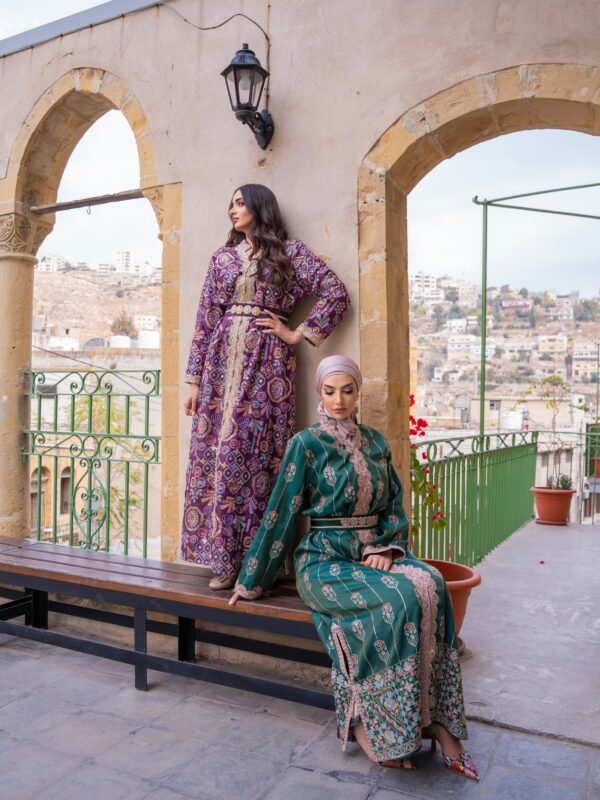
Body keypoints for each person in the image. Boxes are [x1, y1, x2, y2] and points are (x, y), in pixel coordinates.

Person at [230, 355, 479, 778]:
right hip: (324, 560)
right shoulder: (306, 444)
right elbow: (281, 512)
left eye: (348, 390)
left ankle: (438, 721)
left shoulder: (377, 443)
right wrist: (251, 580)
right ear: (320, 392)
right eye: (330, 391)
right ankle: (368, 722)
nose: (339, 400)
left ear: (358, 392)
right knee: (397, 598)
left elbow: (394, 505)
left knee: (433, 583)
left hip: (374, 551)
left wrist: (388, 548)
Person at [182, 185, 350, 590]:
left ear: (260, 207)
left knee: (254, 458)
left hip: (267, 367)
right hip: (219, 368)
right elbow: (206, 318)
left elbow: (336, 293)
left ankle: (257, 564)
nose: (232, 209)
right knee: (215, 457)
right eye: (230, 203)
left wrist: (296, 334)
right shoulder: (222, 258)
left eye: (240, 203)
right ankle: (222, 560)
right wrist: (193, 381)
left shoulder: (289, 254)